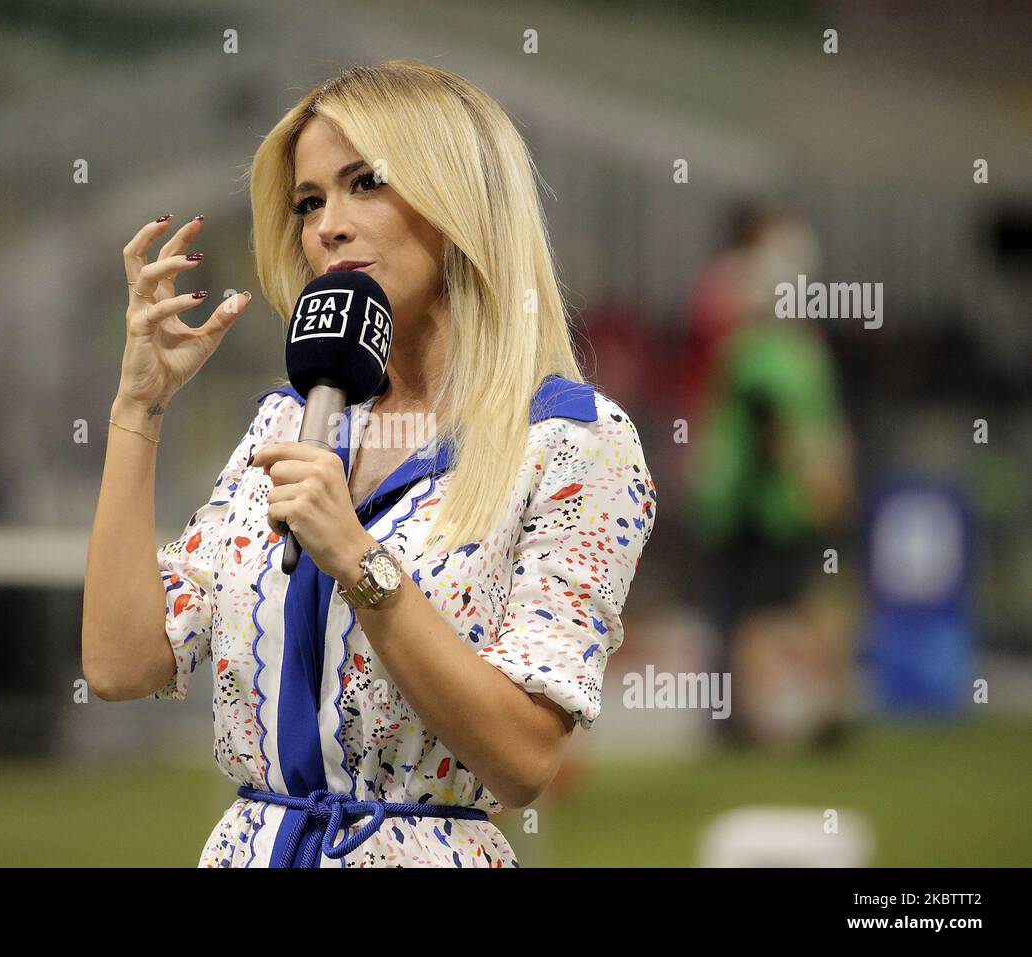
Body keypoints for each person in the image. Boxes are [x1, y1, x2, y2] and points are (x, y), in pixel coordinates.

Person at [82, 60, 657, 868]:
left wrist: (357, 557)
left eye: (366, 184)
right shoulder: (290, 421)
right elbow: (120, 663)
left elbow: (524, 758)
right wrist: (137, 410)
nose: (328, 226)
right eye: (309, 202)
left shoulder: (573, 441)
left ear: (462, 199)